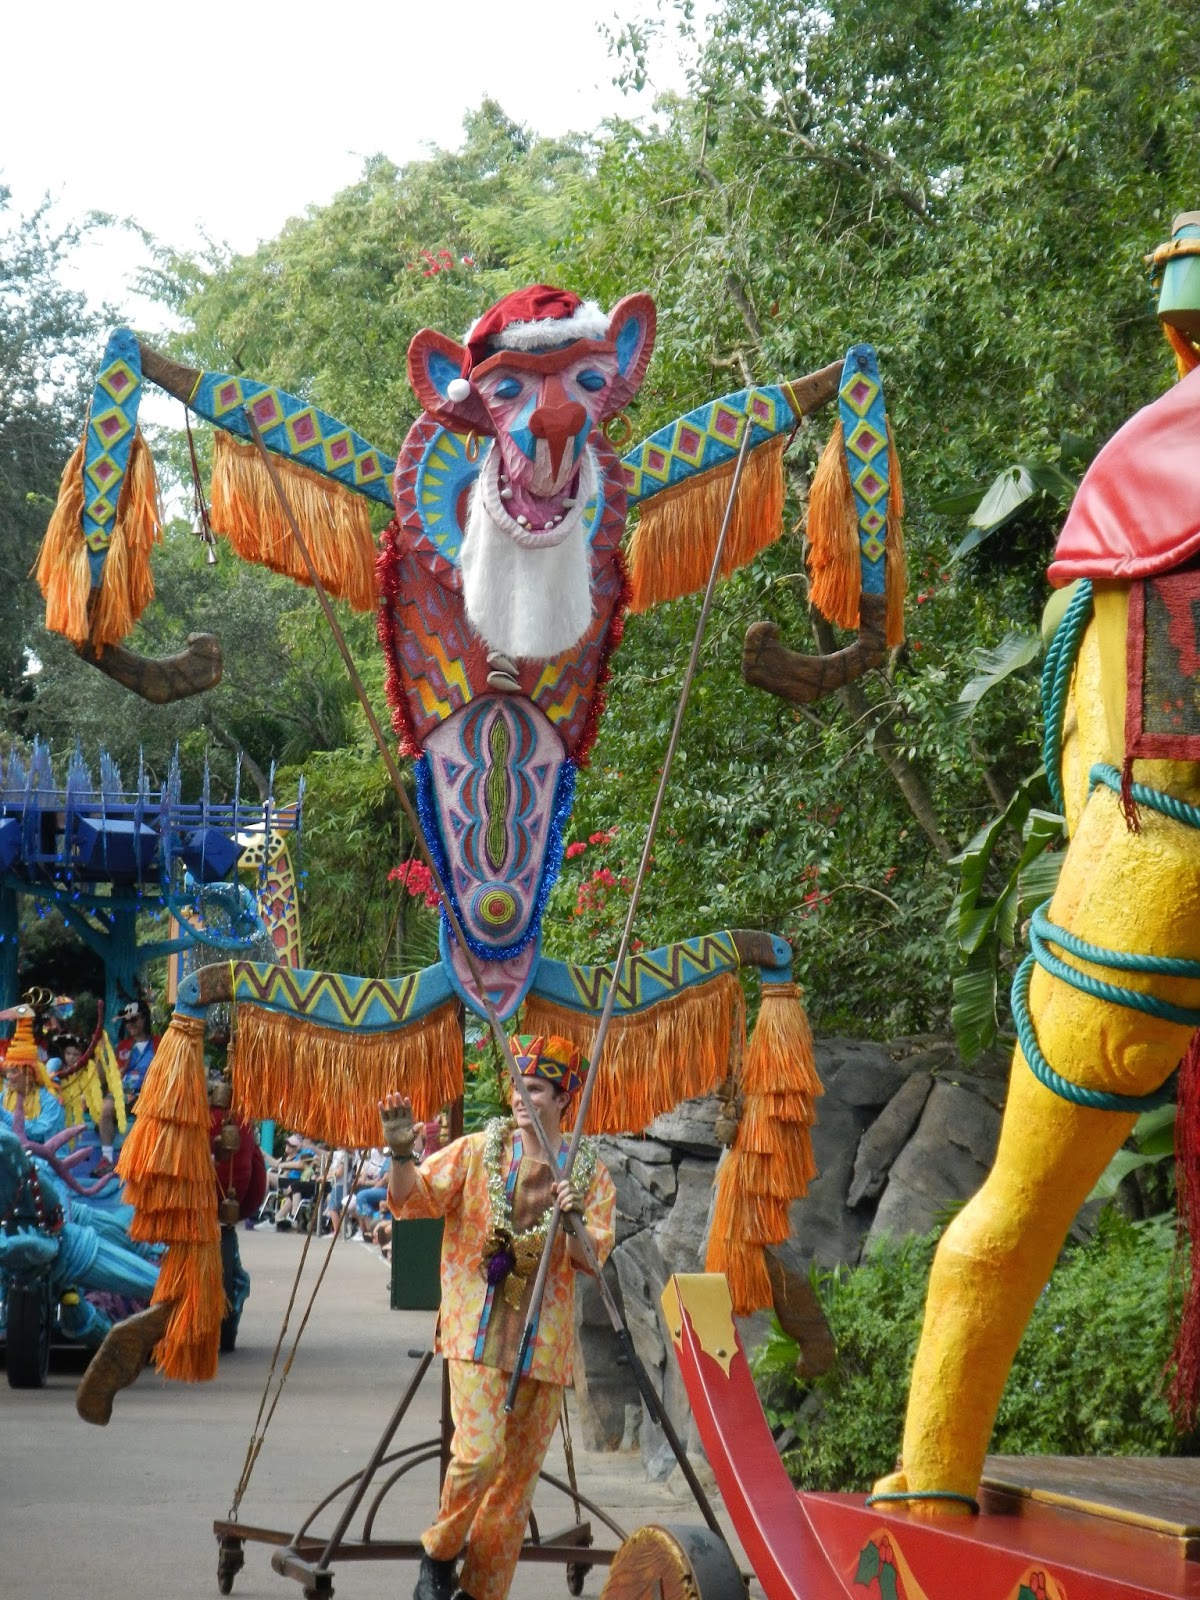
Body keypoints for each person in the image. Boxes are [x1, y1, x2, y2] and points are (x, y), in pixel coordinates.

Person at [382, 1034, 614, 1600]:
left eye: (533, 1087)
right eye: (515, 1084)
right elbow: (411, 1201)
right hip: (475, 1332)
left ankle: (482, 1594)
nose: (518, 1097)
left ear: (564, 1098)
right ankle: (437, 1555)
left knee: (512, 1497)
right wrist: (399, 1153)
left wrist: (575, 1217)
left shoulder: (589, 1175)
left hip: (544, 1347)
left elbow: (591, 1259)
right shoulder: (474, 1151)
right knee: (479, 1457)